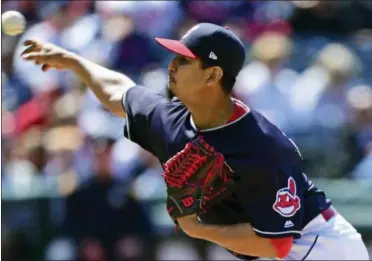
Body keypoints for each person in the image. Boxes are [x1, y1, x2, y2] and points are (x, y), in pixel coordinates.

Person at [21, 22, 369, 260]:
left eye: (184, 60)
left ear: (213, 75)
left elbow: (276, 243)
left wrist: (200, 229)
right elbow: (117, 91)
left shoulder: (261, 147)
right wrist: (73, 61)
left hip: (320, 248)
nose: (172, 65)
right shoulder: (170, 118)